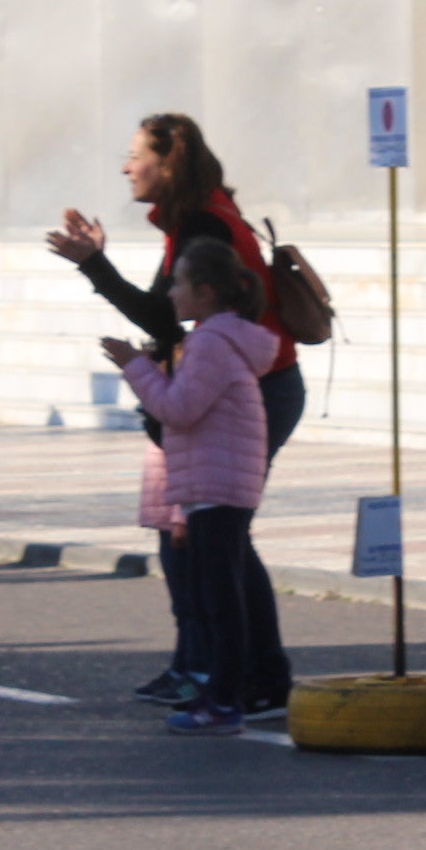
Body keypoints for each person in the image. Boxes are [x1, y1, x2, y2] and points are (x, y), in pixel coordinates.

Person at [46, 114, 303, 715]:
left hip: (250, 387)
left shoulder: (204, 222)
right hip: (242, 380)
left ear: (169, 163)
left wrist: (93, 266)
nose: (125, 166)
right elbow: (170, 314)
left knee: (219, 542)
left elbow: (165, 318)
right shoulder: (197, 216)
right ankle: (211, 667)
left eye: (135, 155)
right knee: (193, 535)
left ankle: (239, 678)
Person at [105, 239, 287, 735]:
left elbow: (178, 409)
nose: (170, 293)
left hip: (216, 486)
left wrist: (134, 366)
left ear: (205, 292)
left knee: (220, 599)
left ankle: (223, 700)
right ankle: (233, 691)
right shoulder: (221, 340)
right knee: (222, 593)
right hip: (217, 483)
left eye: (179, 283)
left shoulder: (209, 342)